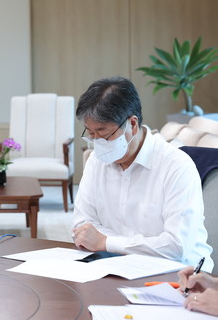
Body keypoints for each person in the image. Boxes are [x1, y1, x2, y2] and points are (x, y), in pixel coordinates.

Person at [72, 76, 213, 271]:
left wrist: (106, 242)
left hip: (179, 273)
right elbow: (82, 227)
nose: (98, 142)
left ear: (132, 124)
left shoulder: (176, 166)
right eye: (91, 134)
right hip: (117, 266)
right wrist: (121, 245)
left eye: (104, 134)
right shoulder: (96, 161)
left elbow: (176, 246)